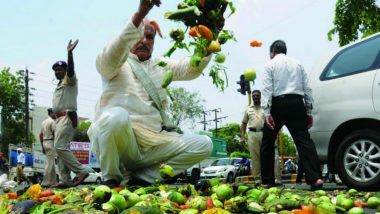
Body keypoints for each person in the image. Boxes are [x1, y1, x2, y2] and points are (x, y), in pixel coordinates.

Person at [87, 0, 217, 188]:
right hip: (123, 144)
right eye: (139, 35)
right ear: (128, 35)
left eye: (149, 37)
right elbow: (110, 56)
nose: (144, 41)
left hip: (154, 145)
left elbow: (191, 69)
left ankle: (143, 179)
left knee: (204, 143)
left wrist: (208, 37)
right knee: (116, 117)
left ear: (154, 42)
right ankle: (112, 180)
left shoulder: (160, 65)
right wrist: (139, 15)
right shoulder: (115, 62)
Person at [260, 40, 323, 190]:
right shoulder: (298, 64)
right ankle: (315, 179)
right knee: (304, 140)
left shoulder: (270, 64)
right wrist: (308, 111)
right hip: (296, 103)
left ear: (273, 51)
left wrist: (267, 112)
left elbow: (267, 88)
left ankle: (267, 181)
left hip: (277, 104)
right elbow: (307, 88)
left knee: (267, 142)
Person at [50, 40, 89, 188]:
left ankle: (81, 171)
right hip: (58, 120)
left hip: (67, 116)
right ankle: (65, 180)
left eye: (60, 69)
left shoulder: (69, 81)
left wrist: (70, 54)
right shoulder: (59, 85)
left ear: (65, 71)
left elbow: (71, 72)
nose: (58, 72)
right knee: (60, 149)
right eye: (56, 70)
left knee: (60, 146)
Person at [240, 90, 265, 182]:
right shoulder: (248, 109)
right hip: (252, 134)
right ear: (252, 97)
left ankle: (267, 178)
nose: (255, 97)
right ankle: (257, 179)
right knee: (255, 157)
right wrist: (242, 137)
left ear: (260, 96)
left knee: (266, 156)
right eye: (254, 95)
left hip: (264, 133)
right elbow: (243, 124)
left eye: (257, 95)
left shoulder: (265, 107)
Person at [39, 108, 57, 187]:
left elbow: (40, 135)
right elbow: (55, 133)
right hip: (50, 142)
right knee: (49, 164)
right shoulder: (52, 122)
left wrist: (42, 146)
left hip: (45, 142)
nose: (55, 115)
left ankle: (53, 182)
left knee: (51, 162)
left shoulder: (43, 122)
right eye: (54, 113)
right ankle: (45, 182)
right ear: (51, 113)